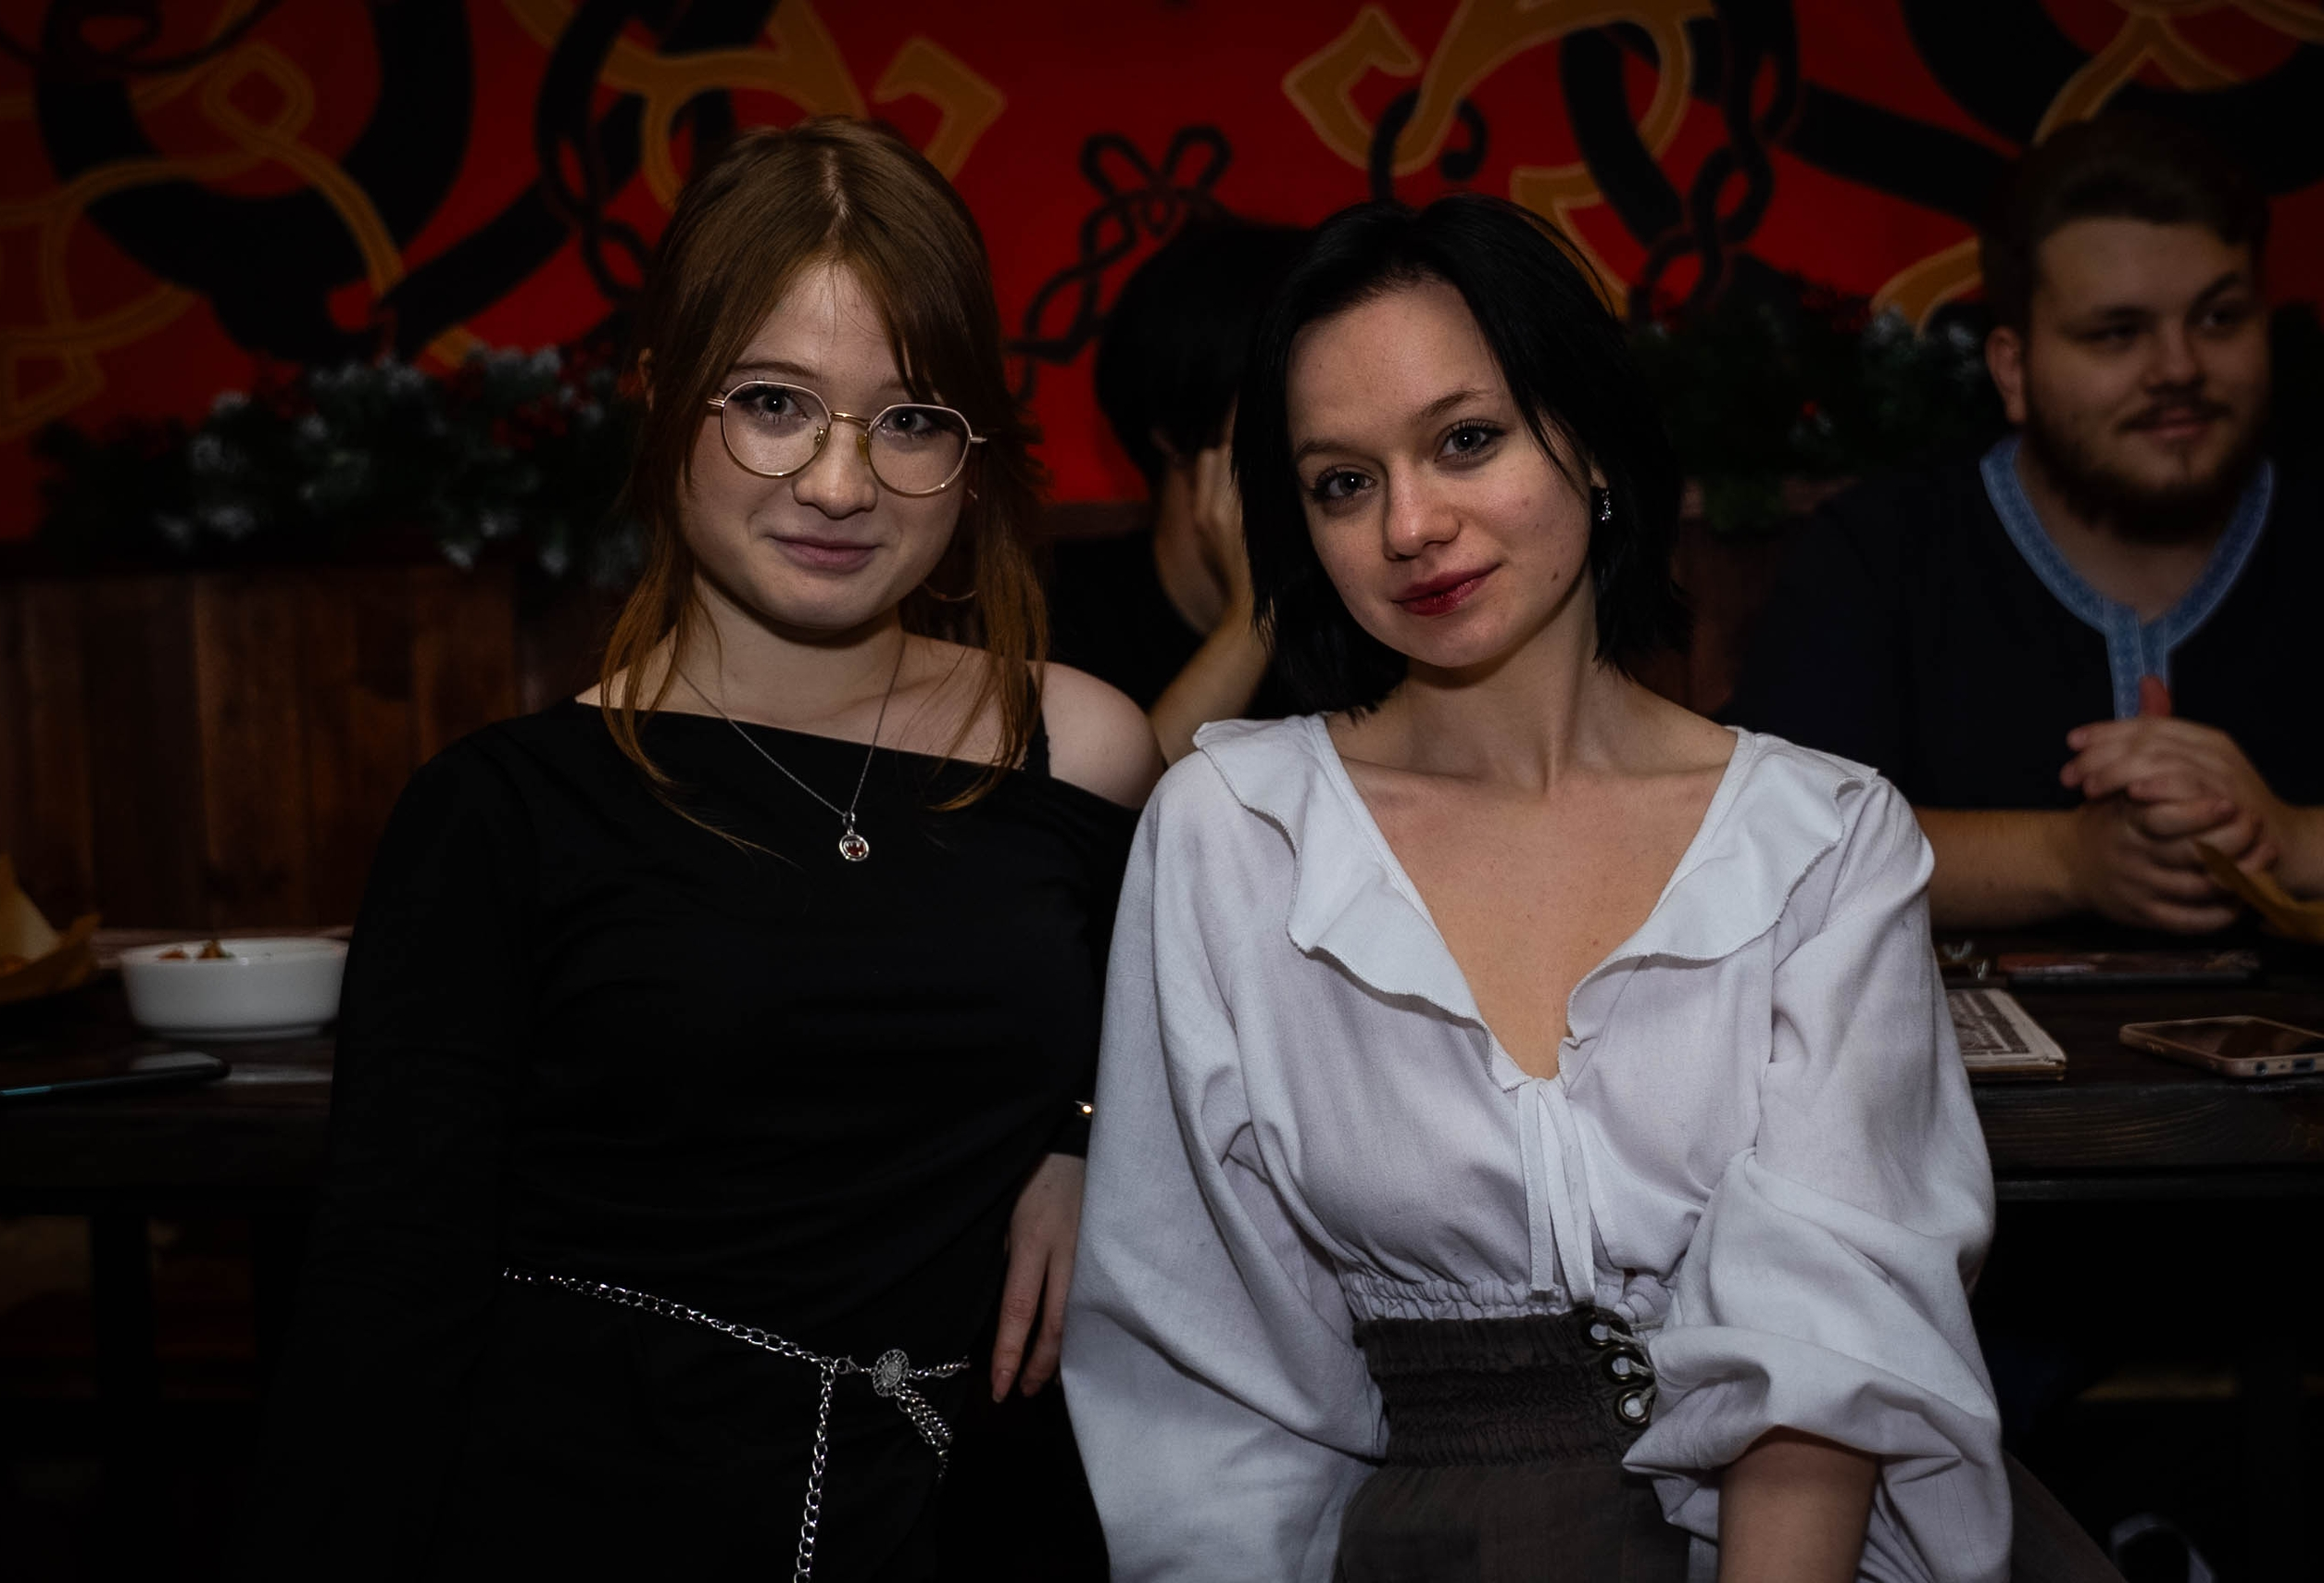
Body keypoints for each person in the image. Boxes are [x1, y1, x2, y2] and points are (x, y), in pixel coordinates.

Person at [1062, 195, 2122, 1582]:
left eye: (1466, 439)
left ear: (1593, 440)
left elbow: (1831, 1336)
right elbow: (1211, 1388)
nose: (1411, 524)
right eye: (1342, 483)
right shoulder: (1234, 835)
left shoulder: (1822, 837)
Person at [245, 118, 1157, 1580]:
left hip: (974, 1519)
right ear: (666, 399)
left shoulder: (1081, 751)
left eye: (910, 419)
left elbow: (1182, 1062)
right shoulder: (504, 813)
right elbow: (387, 1290)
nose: (841, 484)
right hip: (596, 1517)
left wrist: (1083, 1135)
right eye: (774, 403)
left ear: (973, 454)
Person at [1728, 114, 2324, 934]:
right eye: (2118, 333)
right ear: (2013, 368)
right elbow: (1773, 848)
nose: (2180, 367)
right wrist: (2069, 858)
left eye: (2219, 319)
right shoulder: (1881, 552)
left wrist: (2292, 841)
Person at [1049, 218, 1309, 763]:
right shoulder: (1056, 605)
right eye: (1283, 398)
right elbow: (1100, 814)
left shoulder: (1358, 610)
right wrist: (1251, 623)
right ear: (1173, 431)